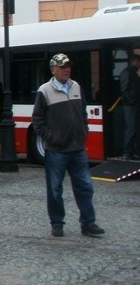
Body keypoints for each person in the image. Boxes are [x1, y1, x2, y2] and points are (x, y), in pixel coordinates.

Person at [31, 53, 105, 238]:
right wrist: (52, 137)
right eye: (63, 67)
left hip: (77, 148)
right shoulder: (45, 90)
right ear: (53, 69)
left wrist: (83, 131)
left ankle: (88, 224)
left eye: (68, 66)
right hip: (56, 150)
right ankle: (57, 223)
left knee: (85, 187)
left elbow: (83, 112)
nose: (67, 70)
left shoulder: (76, 87)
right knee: (55, 188)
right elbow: (38, 120)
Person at [119, 53, 140, 160]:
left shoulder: (133, 73)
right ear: (135, 61)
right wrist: (132, 101)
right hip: (130, 106)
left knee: (135, 129)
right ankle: (127, 153)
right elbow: (125, 90)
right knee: (131, 129)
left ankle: (133, 151)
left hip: (134, 105)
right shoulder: (127, 73)